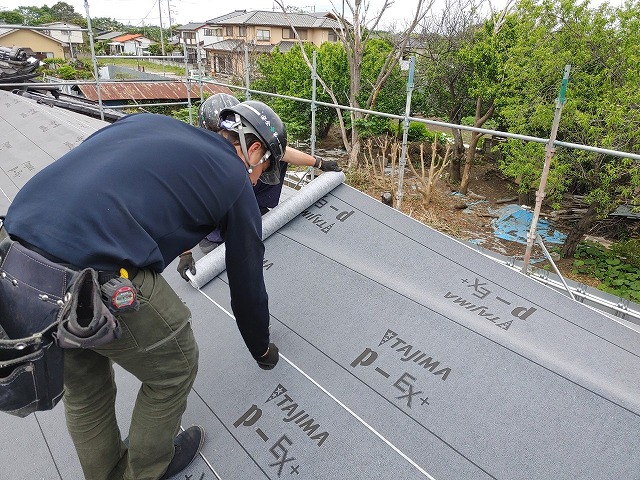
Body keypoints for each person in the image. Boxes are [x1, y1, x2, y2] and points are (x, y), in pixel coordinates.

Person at [2, 108, 282, 480]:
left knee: (85, 388)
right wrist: (261, 348)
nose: (260, 178)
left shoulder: (147, 122)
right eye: (265, 169)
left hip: (16, 261)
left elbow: (132, 190)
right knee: (175, 367)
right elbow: (247, 277)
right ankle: (149, 469)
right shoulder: (234, 178)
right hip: (93, 275)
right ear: (254, 150)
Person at [184, 94, 341, 261]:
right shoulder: (199, 162)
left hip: (235, 196)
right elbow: (184, 207)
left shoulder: (246, 146)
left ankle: (256, 207)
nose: (226, 138)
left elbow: (281, 152)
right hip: (214, 229)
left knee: (271, 158)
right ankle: (224, 231)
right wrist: (185, 254)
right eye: (221, 134)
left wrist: (320, 163)